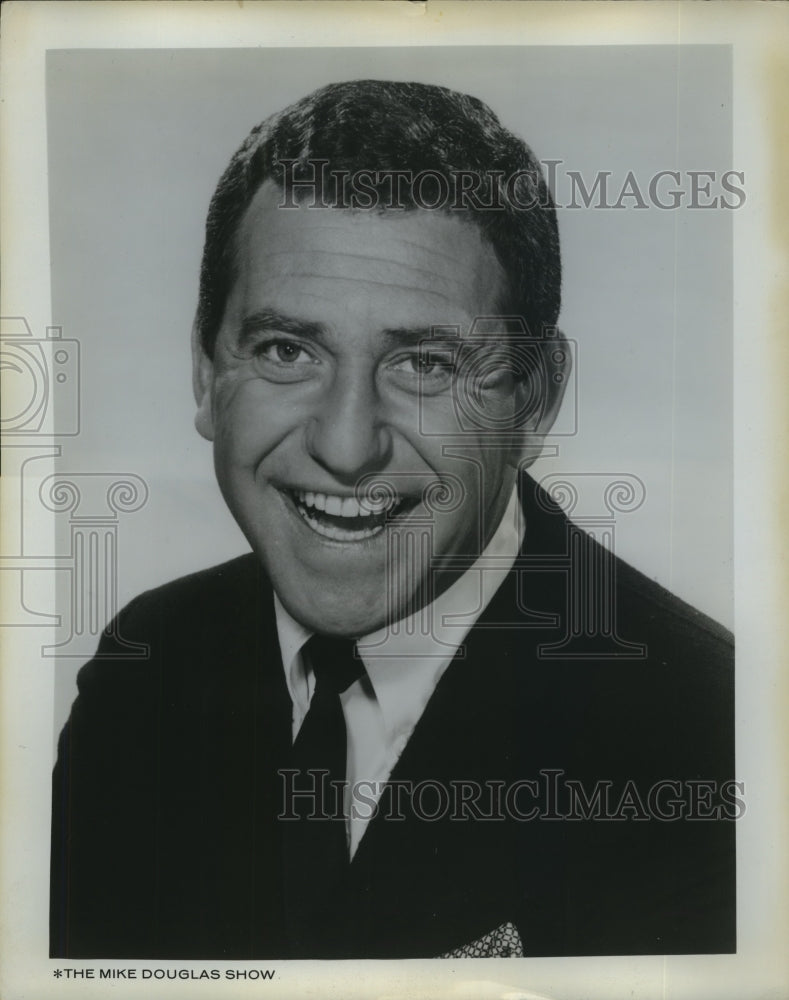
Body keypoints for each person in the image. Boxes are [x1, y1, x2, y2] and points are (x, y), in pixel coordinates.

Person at [50, 80, 735, 960]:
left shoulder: (706, 737)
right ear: (204, 371)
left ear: (531, 399)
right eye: (286, 350)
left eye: (422, 362)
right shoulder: (147, 665)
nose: (345, 446)